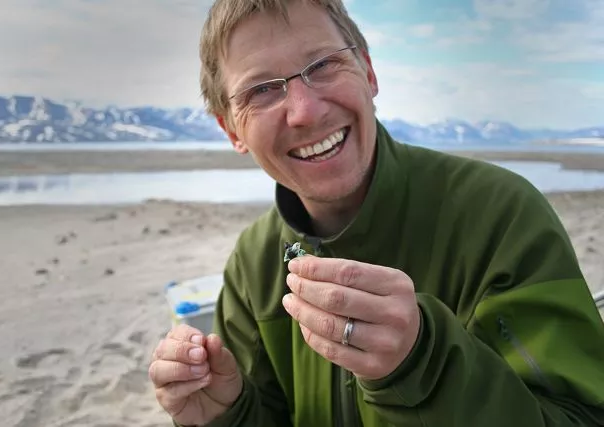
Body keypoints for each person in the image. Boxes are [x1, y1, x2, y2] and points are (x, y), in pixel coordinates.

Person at [149, 0, 604, 426]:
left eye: (323, 65)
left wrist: (423, 363)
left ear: (368, 71)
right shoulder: (255, 261)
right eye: (262, 90)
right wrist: (226, 413)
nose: (304, 111)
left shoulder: (501, 217)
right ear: (232, 129)